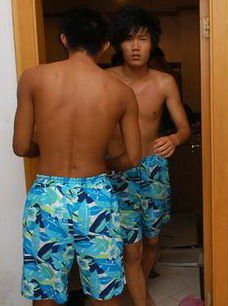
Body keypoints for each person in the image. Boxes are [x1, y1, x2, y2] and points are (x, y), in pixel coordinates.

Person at [13, 7, 141, 306]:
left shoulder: (33, 77)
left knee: (46, 290)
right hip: (95, 195)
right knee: (104, 288)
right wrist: (102, 160)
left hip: (47, 196)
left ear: (63, 39)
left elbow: (21, 147)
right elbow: (131, 158)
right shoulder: (121, 92)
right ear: (106, 44)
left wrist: (45, 147)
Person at [108, 6, 191, 306]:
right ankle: (141, 300)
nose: (135, 46)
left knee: (152, 240)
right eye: (129, 39)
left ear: (151, 43)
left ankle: (137, 288)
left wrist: (174, 138)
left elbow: (184, 128)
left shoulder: (163, 82)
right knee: (131, 248)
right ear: (118, 43)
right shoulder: (106, 80)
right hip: (117, 171)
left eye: (142, 39)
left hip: (153, 170)